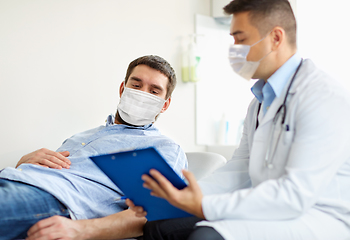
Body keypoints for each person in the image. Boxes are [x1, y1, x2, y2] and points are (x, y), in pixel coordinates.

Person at [129, 1, 350, 240]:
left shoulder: (322, 96)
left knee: (206, 237)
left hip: (316, 217)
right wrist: (175, 196)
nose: (234, 49)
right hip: (270, 207)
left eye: (240, 39)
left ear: (276, 38)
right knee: (159, 226)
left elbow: (295, 195)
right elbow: (239, 170)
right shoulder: (259, 103)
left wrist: (204, 205)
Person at [0, 55, 188, 240]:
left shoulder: (164, 148)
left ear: (165, 104)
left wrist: (80, 229)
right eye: (136, 85)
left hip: (55, 198)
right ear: (123, 89)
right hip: (11, 177)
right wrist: (22, 163)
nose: (142, 94)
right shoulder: (81, 137)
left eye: (154, 91)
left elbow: (155, 212)